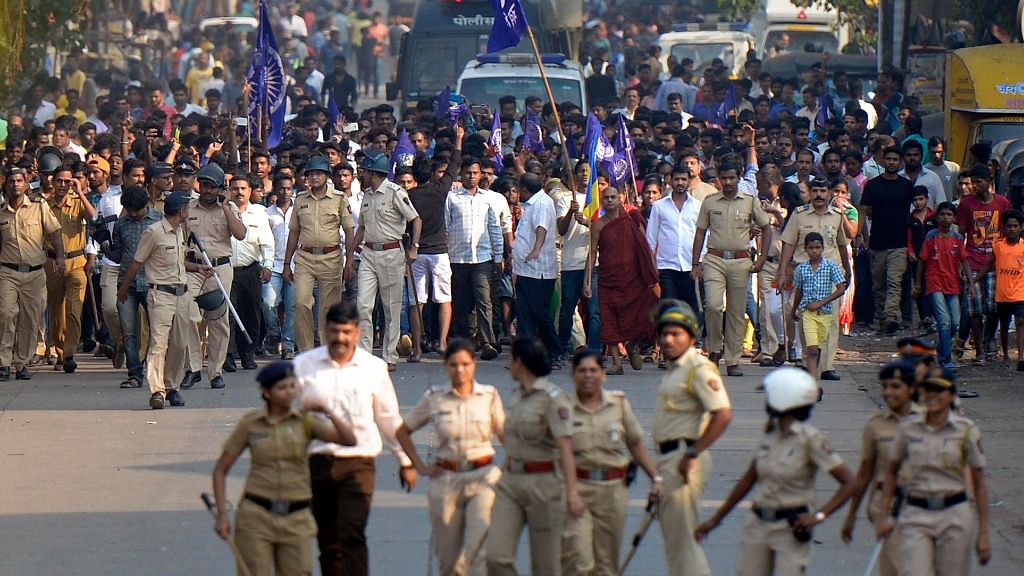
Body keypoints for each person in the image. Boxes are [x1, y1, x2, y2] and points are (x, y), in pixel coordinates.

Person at [295, 299, 416, 576]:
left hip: (358, 464)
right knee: (328, 542)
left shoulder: (373, 368)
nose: (340, 338)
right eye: (335, 331)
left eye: (346, 332)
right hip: (317, 464)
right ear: (325, 331)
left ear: (357, 333)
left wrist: (405, 460)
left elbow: (388, 417)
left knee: (352, 535)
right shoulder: (304, 366)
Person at [695, 367, 854, 575]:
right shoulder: (769, 433)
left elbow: (849, 482)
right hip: (758, 523)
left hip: (791, 527)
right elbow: (749, 478)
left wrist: (819, 515)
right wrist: (715, 520)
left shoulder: (810, 440)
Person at [212, 361, 356, 576]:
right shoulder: (251, 424)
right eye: (282, 388)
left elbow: (349, 440)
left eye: (292, 386)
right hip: (256, 517)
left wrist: (329, 411)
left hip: (296, 519)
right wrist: (222, 515)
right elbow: (221, 470)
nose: (290, 392)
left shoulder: (305, 422)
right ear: (267, 392)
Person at [394, 338, 505, 576]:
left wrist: (508, 470)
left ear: (474, 364)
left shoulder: (489, 397)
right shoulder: (435, 398)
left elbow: (507, 438)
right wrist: (420, 466)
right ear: (446, 367)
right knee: (450, 563)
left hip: (483, 478)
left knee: (479, 554)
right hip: (446, 480)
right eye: (454, 365)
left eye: (465, 364)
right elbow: (403, 431)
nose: (460, 370)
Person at [876, 368, 992, 575]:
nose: (932, 395)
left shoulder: (966, 431)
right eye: (928, 389)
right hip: (916, 514)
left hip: (954, 514)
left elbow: (980, 482)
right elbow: (891, 471)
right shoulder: (908, 429)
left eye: (940, 390)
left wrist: (983, 533)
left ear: (951, 396)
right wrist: (885, 515)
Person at [486, 337, 581, 576]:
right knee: (496, 557)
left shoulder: (553, 399)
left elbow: (566, 448)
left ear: (520, 362)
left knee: (546, 566)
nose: (510, 364)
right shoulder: (517, 394)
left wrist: (572, 493)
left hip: (545, 485)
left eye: (512, 359)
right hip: (511, 483)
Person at [562, 348, 662, 576]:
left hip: (612, 491)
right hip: (578, 489)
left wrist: (656, 478)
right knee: (578, 560)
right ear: (573, 374)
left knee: (606, 564)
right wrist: (570, 493)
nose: (588, 376)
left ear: (603, 374)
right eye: (582, 371)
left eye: (593, 370)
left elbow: (635, 444)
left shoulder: (618, 404)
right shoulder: (563, 410)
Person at [651, 300, 732, 576]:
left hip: (685, 459)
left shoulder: (699, 369)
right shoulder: (676, 370)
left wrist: (693, 454)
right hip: (671, 459)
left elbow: (722, 414)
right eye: (664, 334)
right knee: (675, 541)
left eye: (676, 334)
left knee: (684, 542)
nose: (668, 340)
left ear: (692, 336)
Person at [117, 192, 211, 409]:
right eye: (187, 209)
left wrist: (198, 267)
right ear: (181, 211)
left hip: (182, 294)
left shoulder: (180, 231)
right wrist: (123, 290)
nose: (189, 212)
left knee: (179, 343)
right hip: (161, 295)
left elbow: (179, 263)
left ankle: (172, 387)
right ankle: (157, 390)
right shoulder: (154, 232)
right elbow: (136, 263)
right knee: (159, 344)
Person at [693, 161, 772, 377]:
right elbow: (700, 232)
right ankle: (715, 350)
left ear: (738, 178)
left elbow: (766, 227)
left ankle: (733, 360)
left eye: (732, 178)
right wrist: (695, 264)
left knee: (737, 312)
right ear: (718, 178)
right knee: (713, 305)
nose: (728, 182)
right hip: (714, 259)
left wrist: (763, 257)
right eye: (724, 178)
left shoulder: (749, 201)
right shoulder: (710, 202)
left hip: (740, 261)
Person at [841, 361, 921, 576]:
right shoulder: (875, 424)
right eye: (885, 387)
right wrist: (851, 516)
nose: (888, 393)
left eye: (895, 386)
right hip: (886, 506)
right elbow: (864, 473)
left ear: (911, 388)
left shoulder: (928, 421)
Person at [350, 148, 421, 371]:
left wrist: (414, 248)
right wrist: (349, 256)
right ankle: (364, 354)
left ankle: (390, 355)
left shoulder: (395, 192)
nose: (362, 174)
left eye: (365, 170)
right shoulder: (367, 196)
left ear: (374, 172)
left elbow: (416, 219)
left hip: (392, 252)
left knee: (391, 307)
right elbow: (361, 228)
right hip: (368, 253)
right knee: (363, 305)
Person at [180, 163, 246, 390]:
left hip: (220, 269)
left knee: (218, 321)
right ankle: (193, 368)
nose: (207, 191)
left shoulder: (229, 208)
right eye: (204, 186)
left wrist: (226, 206)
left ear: (220, 188)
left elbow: (240, 234)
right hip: (195, 268)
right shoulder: (188, 208)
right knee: (188, 315)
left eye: (212, 187)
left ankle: (215, 372)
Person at [779, 177, 851, 381]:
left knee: (830, 320)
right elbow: (789, 243)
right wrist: (782, 271)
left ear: (829, 193)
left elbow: (842, 244)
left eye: (823, 191)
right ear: (809, 194)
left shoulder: (837, 215)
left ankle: (827, 366)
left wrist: (847, 270)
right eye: (815, 191)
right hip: (805, 272)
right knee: (802, 316)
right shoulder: (799, 215)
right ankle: (804, 360)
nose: (819, 195)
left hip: (830, 273)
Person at [283, 156, 356, 354]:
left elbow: (349, 231)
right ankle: (306, 352)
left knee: (327, 309)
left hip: (331, 258)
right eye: (310, 173)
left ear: (326, 176)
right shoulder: (300, 200)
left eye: (318, 173)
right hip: (305, 258)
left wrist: (349, 260)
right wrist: (286, 263)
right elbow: (294, 232)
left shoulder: (340, 199)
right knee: (300, 303)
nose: (314, 177)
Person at [583, 185, 658, 375]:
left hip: (632, 278)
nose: (609, 200)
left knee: (638, 315)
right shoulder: (598, 225)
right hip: (608, 279)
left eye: (613, 197)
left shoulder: (631, 220)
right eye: (606, 197)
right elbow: (592, 254)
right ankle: (616, 363)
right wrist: (586, 281)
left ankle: (633, 343)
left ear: (620, 199)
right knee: (609, 320)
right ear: (602, 200)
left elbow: (643, 248)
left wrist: (650, 272)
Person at [0, 168, 64, 381]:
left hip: (35, 273)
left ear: (26, 184)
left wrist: (60, 257)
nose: (15, 184)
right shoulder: (1, 211)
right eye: (11, 181)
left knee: (30, 318)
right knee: (6, 314)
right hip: (7, 271)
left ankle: (22, 363)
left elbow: (55, 231)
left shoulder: (39, 207)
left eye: (19, 180)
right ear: (7, 185)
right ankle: (3, 362)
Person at [408, 125, 464, 359]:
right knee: (444, 299)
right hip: (440, 253)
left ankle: (418, 349)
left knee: (416, 302)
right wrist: (458, 139)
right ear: (431, 174)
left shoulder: (407, 196)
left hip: (416, 253)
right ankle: (442, 343)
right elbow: (453, 167)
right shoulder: (440, 190)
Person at [445, 156, 505, 360]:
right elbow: (445, 227)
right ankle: (464, 342)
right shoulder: (452, 198)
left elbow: (495, 228)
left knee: (484, 301)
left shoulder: (487, 199)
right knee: (460, 303)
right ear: (461, 174)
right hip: (457, 258)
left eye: (475, 173)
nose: (472, 176)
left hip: (482, 258)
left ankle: (487, 341)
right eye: (468, 173)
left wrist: (498, 255)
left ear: (481, 175)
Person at [105, 186, 161, 389]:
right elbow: (117, 256)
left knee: (157, 330)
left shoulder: (159, 220)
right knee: (128, 331)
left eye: (136, 211)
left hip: (153, 282)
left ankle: (158, 372)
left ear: (145, 206)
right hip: (126, 284)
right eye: (129, 210)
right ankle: (134, 374)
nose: (132, 214)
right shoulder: (121, 224)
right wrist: (103, 242)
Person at [956, 165, 1010, 364]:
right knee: (974, 309)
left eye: (978, 182)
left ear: (989, 181)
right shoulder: (966, 204)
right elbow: (960, 234)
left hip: (996, 263)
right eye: (973, 182)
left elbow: (1007, 232)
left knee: (993, 307)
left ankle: (989, 341)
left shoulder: (1002, 203)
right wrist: (960, 262)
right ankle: (979, 349)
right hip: (973, 263)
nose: (975, 186)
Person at [859, 146, 916, 335]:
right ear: (883, 161)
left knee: (894, 281)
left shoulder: (906, 186)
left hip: (899, 243)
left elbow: (916, 211)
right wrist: (861, 237)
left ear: (900, 162)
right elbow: (863, 211)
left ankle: (892, 316)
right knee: (879, 285)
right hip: (877, 243)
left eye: (895, 159)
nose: (892, 162)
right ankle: (883, 320)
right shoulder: (872, 185)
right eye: (889, 159)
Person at [45, 165, 96, 373]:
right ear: (52, 181)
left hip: (77, 261)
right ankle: (59, 351)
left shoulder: (78, 202)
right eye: (60, 181)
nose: (63, 186)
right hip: (53, 263)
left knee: (75, 309)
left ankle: (69, 353)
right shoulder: (45, 205)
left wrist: (80, 191)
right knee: (57, 311)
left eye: (68, 181)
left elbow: (92, 216)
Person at [913, 202, 971, 368]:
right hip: (934, 282)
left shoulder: (957, 238)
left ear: (953, 218)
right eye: (943, 215)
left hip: (953, 283)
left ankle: (941, 347)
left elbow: (964, 260)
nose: (946, 218)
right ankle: (946, 358)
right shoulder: (931, 237)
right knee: (945, 321)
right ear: (937, 217)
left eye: (949, 215)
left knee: (954, 323)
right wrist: (917, 284)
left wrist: (971, 284)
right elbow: (922, 261)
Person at [227, 175, 275, 370]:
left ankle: (247, 354)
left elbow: (267, 241)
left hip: (251, 269)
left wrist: (268, 265)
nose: (239, 192)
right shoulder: (222, 212)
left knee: (251, 313)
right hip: (226, 270)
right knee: (228, 315)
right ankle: (228, 356)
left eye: (243, 188)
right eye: (235, 188)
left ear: (249, 191)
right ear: (229, 190)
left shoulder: (259, 213)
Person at [647, 165, 703, 327]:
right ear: (670, 180)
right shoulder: (659, 206)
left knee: (691, 305)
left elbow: (703, 235)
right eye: (677, 179)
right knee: (668, 305)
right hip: (666, 265)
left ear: (689, 181)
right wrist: (652, 266)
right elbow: (650, 238)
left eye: (683, 179)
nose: (680, 182)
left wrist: (700, 261)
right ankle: (668, 343)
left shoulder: (697, 206)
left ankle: (691, 343)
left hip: (690, 265)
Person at [791, 233, 848, 388]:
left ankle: (814, 377)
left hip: (825, 314)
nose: (814, 251)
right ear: (805, 249)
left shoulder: (830, 266)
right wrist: (794, 309)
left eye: (817, 247)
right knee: (812, 349)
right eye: (811, 248)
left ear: (823, 248)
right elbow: (799, 291)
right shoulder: (802, 269)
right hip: (807, 313)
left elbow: (841, 288)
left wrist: (822, 302)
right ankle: (813, 385)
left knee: (818, 348)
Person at [512, 173, 559, 356]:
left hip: (538, 270)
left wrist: (536, 249)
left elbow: (542, 228)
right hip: (525, 269)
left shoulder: (541, 203)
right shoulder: (532, 203)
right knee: (524, 314)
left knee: (539, 313)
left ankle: (554, 350)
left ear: (524, 189)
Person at [975, 209, 1024, 371]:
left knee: (1020, 322)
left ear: (1020, 227)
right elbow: (988, 265)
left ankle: (1021, 358)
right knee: (1003, 325)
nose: (1012, 229)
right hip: (1002, 294)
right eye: (1009, 226)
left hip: (1019, 292)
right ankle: (1006, 356)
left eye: (1015, 226)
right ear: (1004, 228)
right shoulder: (998, 246)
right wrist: (974, 280)